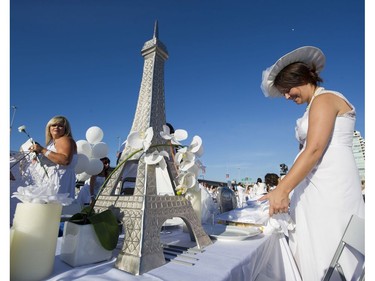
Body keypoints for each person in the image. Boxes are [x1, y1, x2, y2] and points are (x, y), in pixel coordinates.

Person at [260, 46, 365, 280]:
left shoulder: (326, 99)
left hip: (329, 186)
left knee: (327, 241)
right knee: (314, 245)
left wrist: (283, 189)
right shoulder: (314, 105)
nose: (286, 96)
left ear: (301, 79)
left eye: (287, 90)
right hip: (316, 185)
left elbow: (315, 148)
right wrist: (283, 187)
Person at [29, 115, 78, 199]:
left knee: (56, 207)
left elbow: (65, 160)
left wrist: (42, 150)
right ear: (49, 127)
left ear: (65, 129)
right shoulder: (52, 143)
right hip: (52, 180)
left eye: (60, 126)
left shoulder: (64, 139)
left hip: (59, 180)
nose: (56, 127)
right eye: (54, 125)